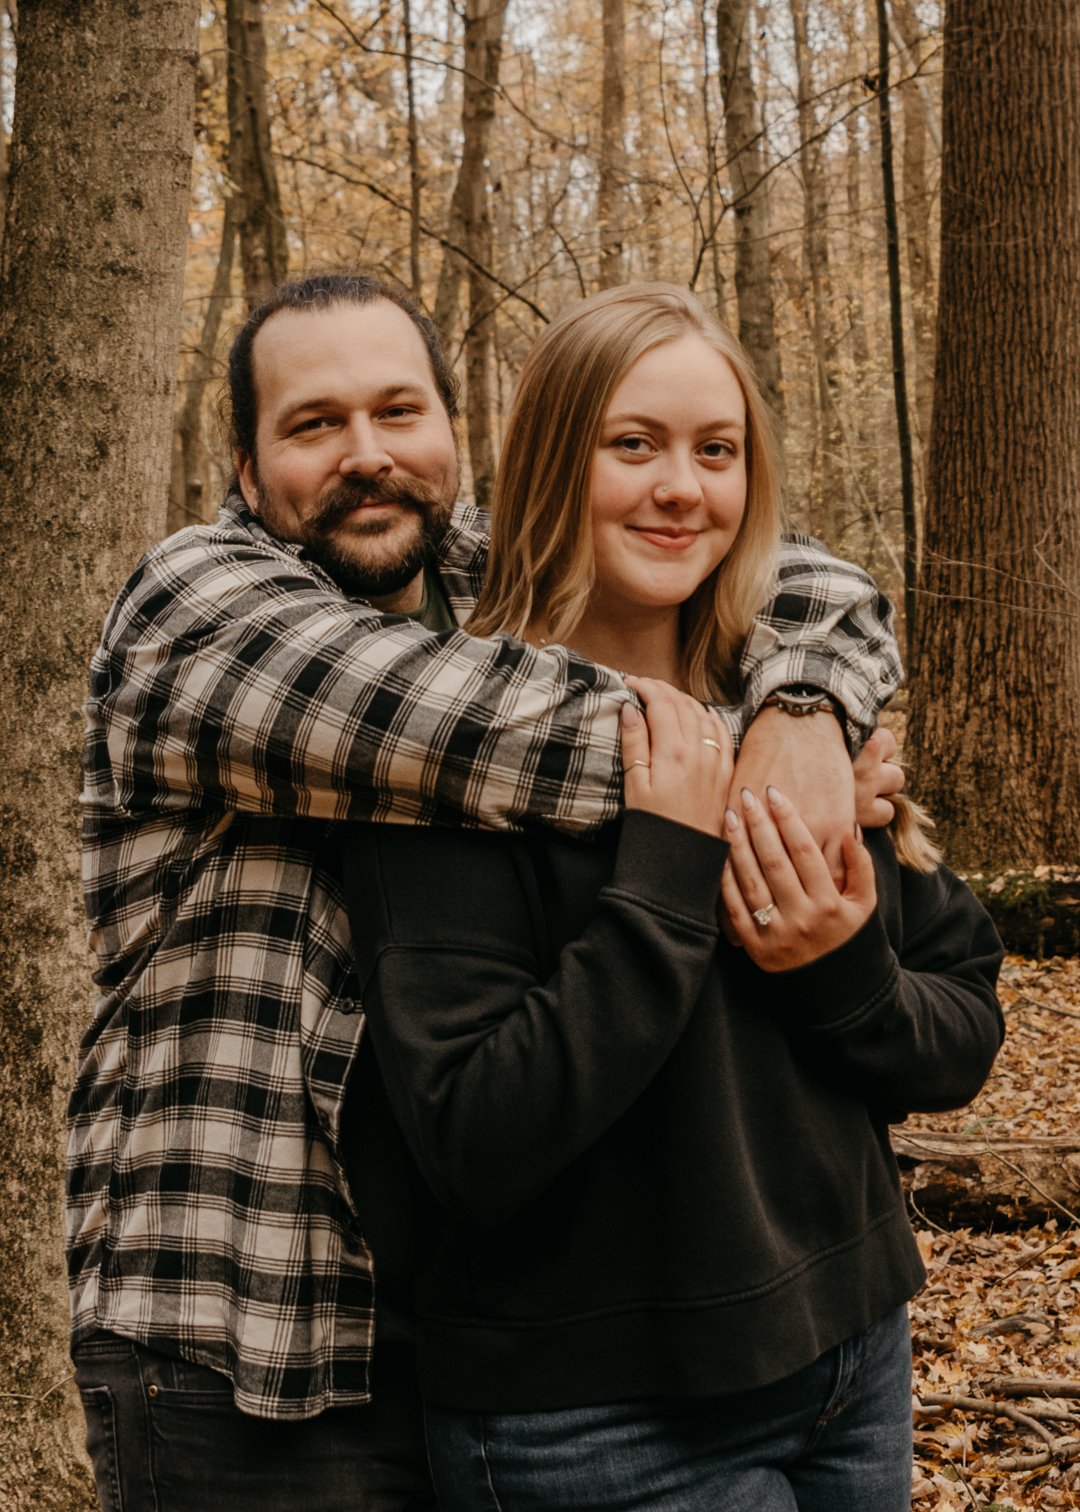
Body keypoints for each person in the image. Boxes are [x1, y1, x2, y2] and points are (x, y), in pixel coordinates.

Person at [68, 272, 905, 1512]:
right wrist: (785, 770)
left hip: (480, 1347)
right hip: (248, 1346)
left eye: (400, 413)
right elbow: (484, 732)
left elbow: (800, 574)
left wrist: (807, 701)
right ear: (243, 467)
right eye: (314, 425)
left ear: (456, 436)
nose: (367, 455)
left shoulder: (484, 571)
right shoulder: (200, 607)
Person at [342, 283, 1005, 1511]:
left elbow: (960, 1032)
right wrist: (664, 874)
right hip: (595, 1417)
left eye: (717, 451)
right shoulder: (453, 753)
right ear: (551, 461)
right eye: (631, 444)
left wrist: (840, 967)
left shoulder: (796, 723)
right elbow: (478, 1138)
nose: (680, 489)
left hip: (851, 1356)